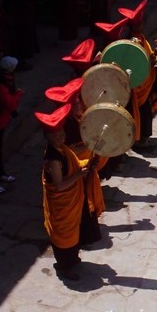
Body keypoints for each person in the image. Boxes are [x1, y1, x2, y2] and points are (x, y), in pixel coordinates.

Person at [36, 104, 102, 282]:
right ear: (48, 137)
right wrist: (80, 174)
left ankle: (71, 260)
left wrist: (86, 166)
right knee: (65, 235)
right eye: (55, 135)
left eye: (62, 133)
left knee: (75, 232)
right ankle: (64, 267)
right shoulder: (53, 160)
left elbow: (73, 166)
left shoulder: (62, 150)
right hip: (62, 204)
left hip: (72, 201)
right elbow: (59, 185)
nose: (61, 137)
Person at [118, 0, 157, 147]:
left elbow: (147, 54)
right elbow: (134, 61)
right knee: (139, 113)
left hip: (144, 81)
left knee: (145, 111)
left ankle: (144, 136)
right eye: (140, 23)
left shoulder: (141, 38)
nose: (142, 25)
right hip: (136, 84)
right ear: (134, 25)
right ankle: (138, 139)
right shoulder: (131, 42)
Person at [0, 56, 22, 193]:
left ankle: (1, 173)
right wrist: (18, 95)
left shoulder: (6, 80)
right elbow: (9, 103)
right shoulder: (1, 86)